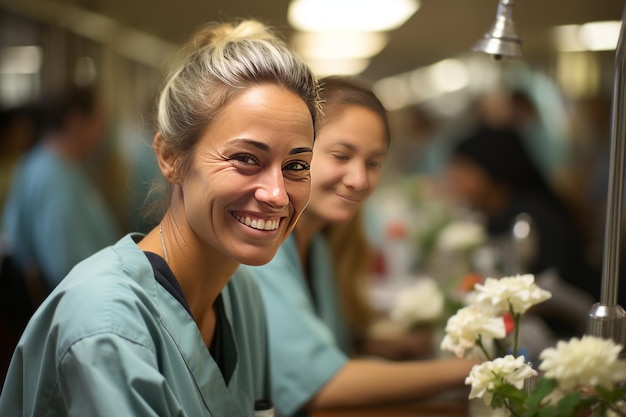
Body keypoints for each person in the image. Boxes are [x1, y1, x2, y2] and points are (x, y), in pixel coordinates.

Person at [0, 18, 320, 416]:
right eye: (245, 159)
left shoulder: (241, 295)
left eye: (296, 166)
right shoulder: (106, 329)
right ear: (170, 157)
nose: (276, 194)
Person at [237, 77, 475, 417]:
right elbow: (321, 387)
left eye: (373, 162)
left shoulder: (316, 246)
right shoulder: (263, 252)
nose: (359, 179)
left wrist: (373, 344)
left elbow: (318, 345)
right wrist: (475, 368)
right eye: (341, 155)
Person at [445, 124, 598, 337]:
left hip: (563, 333)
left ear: (490, 168)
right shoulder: (493, 215)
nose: (453, 180)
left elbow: (553, 290)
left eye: (463, 170)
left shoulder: (533, 217)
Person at [2, 87, 120, 292]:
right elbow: (67, 265)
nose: (104, 130)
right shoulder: (52, 177)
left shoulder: (61, 166)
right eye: (99, 120)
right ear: (75, 122)